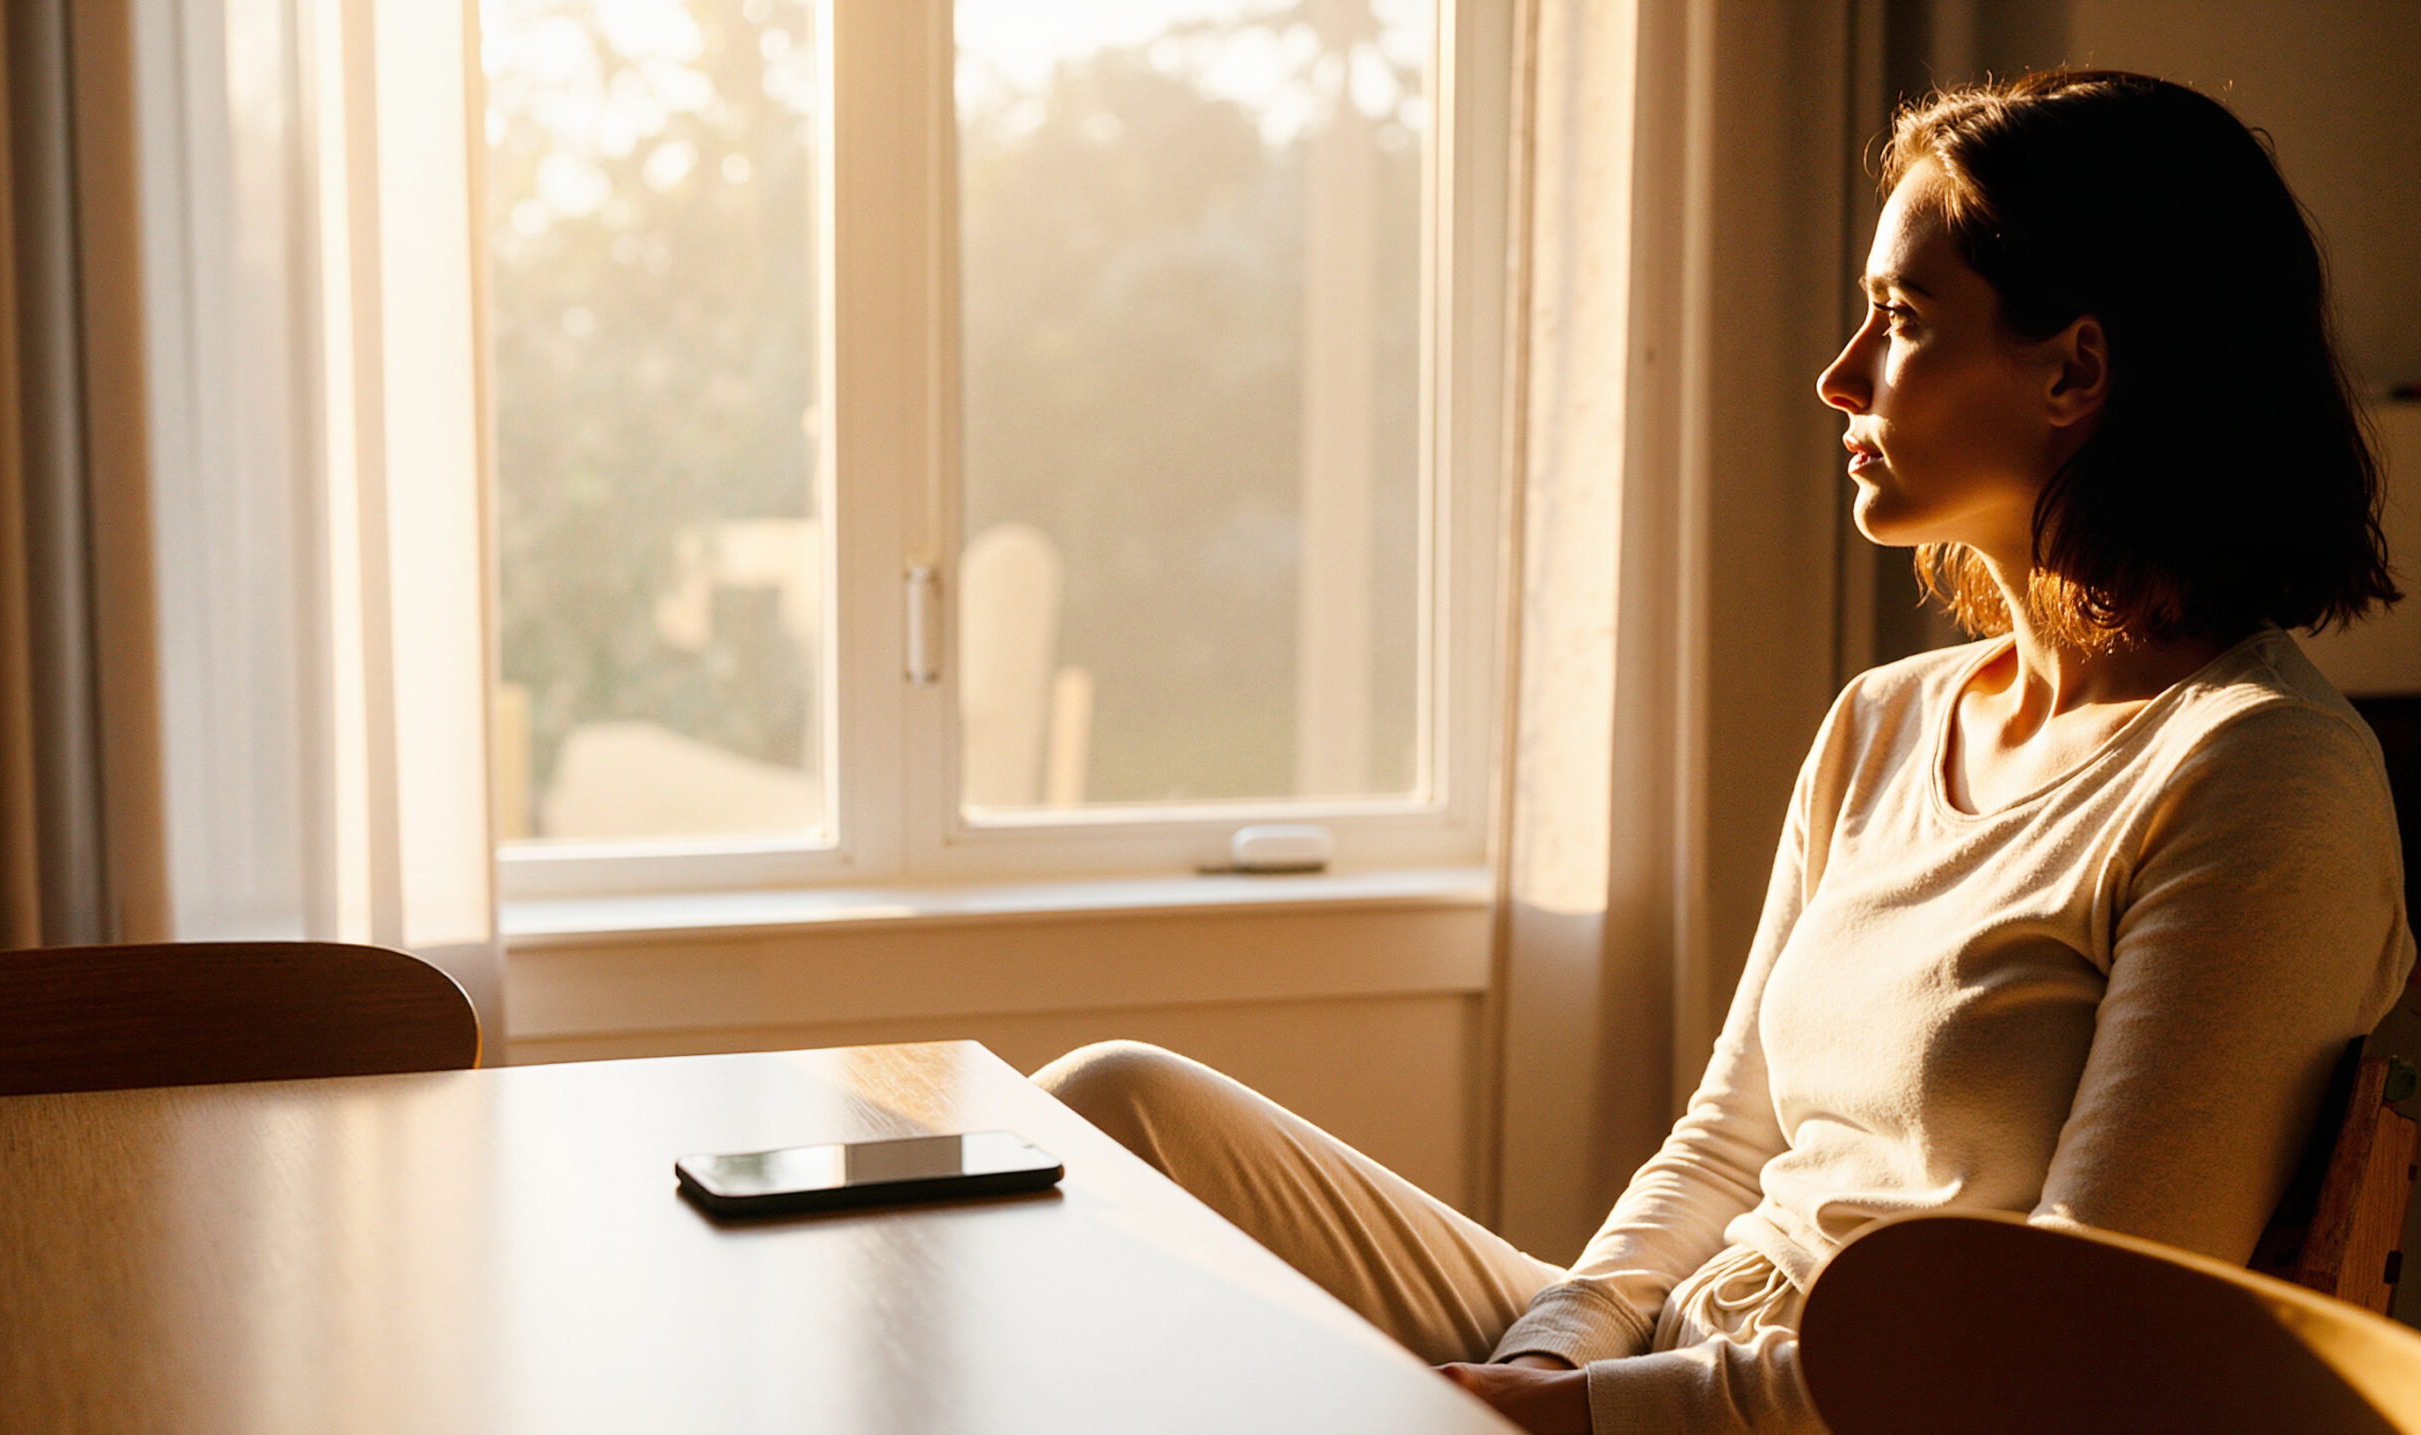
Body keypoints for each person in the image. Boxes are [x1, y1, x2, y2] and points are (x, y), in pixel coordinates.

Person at [1034, 69, 2415, 1434]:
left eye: (1903, 321)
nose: (1839, 376)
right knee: (1110, 1111)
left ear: (2074, 372)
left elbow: (2063, 1338)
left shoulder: (2261, 777)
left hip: (1875, 1416)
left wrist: (1590, 1420)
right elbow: (1724, 1148)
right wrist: (1553, 1358)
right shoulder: (1883, 721)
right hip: (1669, 1373)